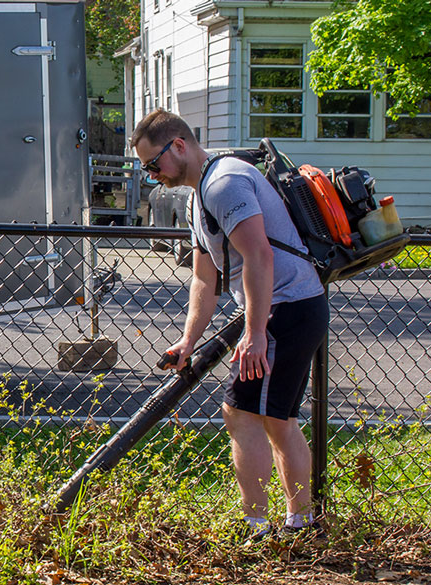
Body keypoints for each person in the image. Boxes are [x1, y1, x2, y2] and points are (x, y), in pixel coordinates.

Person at [130, 109, 329, 540]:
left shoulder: (224, 183)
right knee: (278, 419)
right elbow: (204, 277)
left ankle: (258, 528)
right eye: (146, 168)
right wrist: (187, 341)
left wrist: (256, 333)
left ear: (179, 145)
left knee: (240, 414)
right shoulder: (198, 196)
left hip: (285, 309)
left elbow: (260, 256)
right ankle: (300, 522)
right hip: (290, 308)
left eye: (153, 164)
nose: (151, 175)